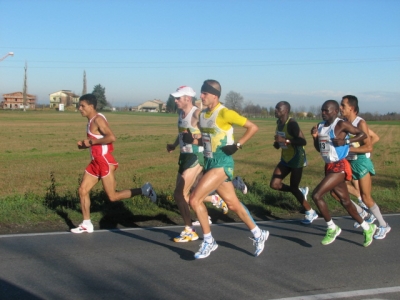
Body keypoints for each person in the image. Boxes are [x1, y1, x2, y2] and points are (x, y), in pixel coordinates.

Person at [189, 79, 268, 259]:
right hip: (210, 162)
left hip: (222, 163)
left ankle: (209, 241)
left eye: (205, 93)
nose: (201, 96)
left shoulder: (225, 113)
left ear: (215, 96)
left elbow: (252, 127)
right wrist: (192, 141)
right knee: (233, 204)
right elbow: (206, 140)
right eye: (201, 93)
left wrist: (237, 145)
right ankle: (258, 233)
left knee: (194, 199)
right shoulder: (203, 115)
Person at [166, 86, 248, 241]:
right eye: (175, 98)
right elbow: (183, 133)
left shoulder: (197, 113)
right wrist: (174, 144)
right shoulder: (180, 113)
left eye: (178, 98)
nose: (175, 100)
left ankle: (190, 230)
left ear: (187, 99)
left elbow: (210, 131)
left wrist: (200, 137)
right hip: (184, 156)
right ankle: (215, 199)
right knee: (186, 195)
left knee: (180, 193)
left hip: (196, 156)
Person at [71, 94, 156, 233]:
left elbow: (111, 137)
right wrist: (85, 145)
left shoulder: (98, 120)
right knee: (82, 190)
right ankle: (86, 223)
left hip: (104, 161)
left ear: (91, 106)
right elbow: (97, 141)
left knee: (112, 196)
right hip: (95, 161)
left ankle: (145, 190)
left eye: (82, 106)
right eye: (79, 106)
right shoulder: (91, 120)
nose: (79, 108)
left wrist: (91, 142)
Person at [310, 100, 376, 247]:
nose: (323, 113)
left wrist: (346, 142)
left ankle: (332, 227)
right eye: (322, 110)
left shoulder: (341, 124)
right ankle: (368, 227)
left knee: (316, 195)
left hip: (340, 165)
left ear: (335, 111)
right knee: (345, 201)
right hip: (328, 166)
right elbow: (320, 149)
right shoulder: (320, 126)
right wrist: (314, 137)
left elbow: (363, 135)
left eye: (327, 110)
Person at [338, 95, 390, 239]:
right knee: (336, 191)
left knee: (366, 197)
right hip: (349, 162)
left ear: (352, 108)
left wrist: (347, 149)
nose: (340, 108)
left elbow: (368, 147)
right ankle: (362, 212)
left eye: (343, 105)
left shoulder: (360, 123)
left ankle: (384, 225)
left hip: (360, 163)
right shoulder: (344, 123)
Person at [270, 101, 318, 224]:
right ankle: (300, 191)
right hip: (285, 157)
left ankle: (310, 212)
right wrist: (278, 143)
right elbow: (282, 140)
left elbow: (302, 141)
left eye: (278, 108)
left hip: (297, 158)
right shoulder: (278, 122)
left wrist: (285, 140)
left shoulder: (292, 124)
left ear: (285, 110)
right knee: (274, 184)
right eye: (275, 108)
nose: (275, 110)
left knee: (293, 187)